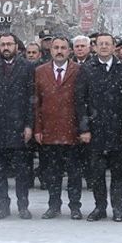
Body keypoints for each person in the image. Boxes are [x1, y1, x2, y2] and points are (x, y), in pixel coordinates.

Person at [76, 32, 122, 222]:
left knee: (118, 172)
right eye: (101, 44)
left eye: (108, 43)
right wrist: (84, 129)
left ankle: (117, 207)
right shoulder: (87, 69)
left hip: (118, 129)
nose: (104, 46)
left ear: (114, 47)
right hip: (95, 130)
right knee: (96, 173)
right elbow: (80, 101)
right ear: (95, 47)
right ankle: (100, 207)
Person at [0, 33, 36, 219]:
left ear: (16, 46)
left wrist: (29, 125)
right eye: (2, 44)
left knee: (22, 171)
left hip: (19, 126)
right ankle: (3, 206)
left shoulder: (28, 67)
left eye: (9, 44)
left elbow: (32, 98)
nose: (5, 47)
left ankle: (23, 205)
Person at [34, 37, 84, 219]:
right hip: (49, 131)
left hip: (72, 132)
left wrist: (83, 128)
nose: (59, 51)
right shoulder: (40, 71)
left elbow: (83, 102)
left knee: (74, 173)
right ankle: (53, 205)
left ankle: (75, 206)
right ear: (51, 50)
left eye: (63, 47)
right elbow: (36, 102)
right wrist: (38, 129)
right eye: (56, 47)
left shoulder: (79, 71)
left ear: (70, 50)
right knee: (52, 173)